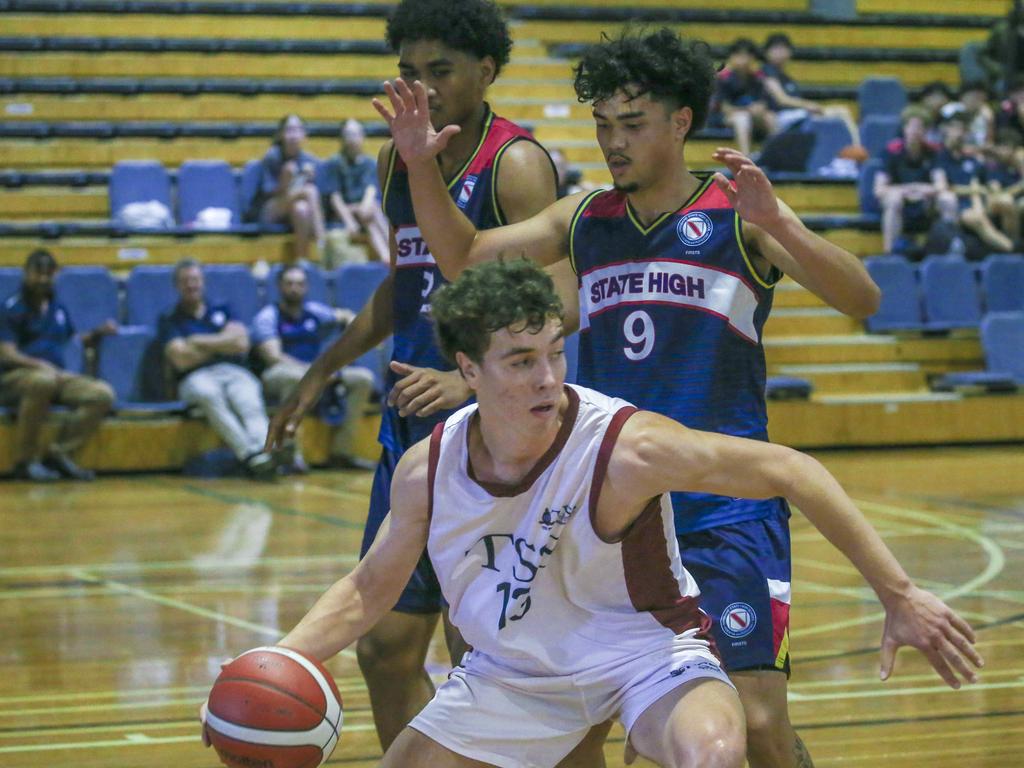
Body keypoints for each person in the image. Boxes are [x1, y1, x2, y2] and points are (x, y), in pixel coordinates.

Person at [372, 25, 909, 768]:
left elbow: (865, 298)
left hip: (724, 504)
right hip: (615, 508)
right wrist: (421, 167)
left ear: (681, 122)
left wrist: (779, 222)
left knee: (756, 723)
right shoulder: (586, 217)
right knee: (592, 728)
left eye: (632, 124)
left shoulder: (736, 215)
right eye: (602, 125)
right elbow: (462, 257)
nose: (612, 142)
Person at [203, 259, 981, 768]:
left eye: (554, 352)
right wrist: (280, 664)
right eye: (520, 362)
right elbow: (370, 589)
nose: (547, 377)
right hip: (512, 676)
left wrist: (900, 593)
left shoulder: (625, 443)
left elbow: (791, 470)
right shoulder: (429, 467)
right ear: (468, 370)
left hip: (645, 658)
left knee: (714, 752)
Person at [264, 0, 564, 753]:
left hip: (493, 442)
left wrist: (475, 385)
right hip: (410, 432)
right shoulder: (398, 157)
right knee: (386, 650)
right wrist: (320, 370)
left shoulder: (515, 165)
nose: (421, 88)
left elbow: (560, 304)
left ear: (486, 72)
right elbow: (407, 281)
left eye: (440, 71)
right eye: (408, 72)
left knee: (481, 658)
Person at [0, 249, 115, 481]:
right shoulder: (10, 308)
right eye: (38, 273)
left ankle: (58, 454)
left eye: (48, 274)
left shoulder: (58, 309)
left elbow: (72, 339)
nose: (43, 279)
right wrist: (39, 365)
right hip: (15, 379)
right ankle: (25, 461)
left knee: (101, 394)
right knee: (42, 382)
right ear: (26, 274)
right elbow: (7, 354)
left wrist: (96, 334)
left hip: (55, 377)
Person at [158, 259, 277, 479]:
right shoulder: (169, 318)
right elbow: (181, 359)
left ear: (203, 282)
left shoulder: (222, 308)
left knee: (248, 398)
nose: (191, 285)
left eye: (195, 280)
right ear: (177, 286)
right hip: (194, 377)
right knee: (209, 394)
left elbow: (241, 343)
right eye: (185, 281)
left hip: (232, 371)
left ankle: (264, 451)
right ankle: (250, 454)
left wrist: (197, 341)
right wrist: (222, 343)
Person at [251, 265, 376, 472]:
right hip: (278, 375)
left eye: (299, 284)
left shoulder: (314, 311)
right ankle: (291, 455)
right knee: (295, 378)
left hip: (314, 373)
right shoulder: (268, 316)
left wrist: (349, 322)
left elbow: (345, 317)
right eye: (289, 284)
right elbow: (274, 357)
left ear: (306, 287)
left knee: (363, 379)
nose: (294, 288)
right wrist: (315, 374)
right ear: (279, 287)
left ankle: (341, 452)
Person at [760, 32, 863, 152]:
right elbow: (782, 99)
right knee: (840, 112)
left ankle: (856, 147)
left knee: (842, 112)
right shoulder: (767, 73)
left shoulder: (786, 77)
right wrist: (808, 105)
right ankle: (856, 148)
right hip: (781, 117)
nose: (780, 52)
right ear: (766, 52)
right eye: (776, 49)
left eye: (783, 48)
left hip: (797, 115)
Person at [874, 107, 948, 254]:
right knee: (894, 199)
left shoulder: (934, 153)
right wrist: (908, 190)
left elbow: (941, 185)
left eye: (920, 128)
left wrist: (921, 191)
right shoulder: (890, 152)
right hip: (898, 199)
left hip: (925, 200)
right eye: (912, 126)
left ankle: (947, 251)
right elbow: (879, 189)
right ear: (904, 128)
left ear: (926, 132)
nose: (915, 131)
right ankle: (889, 252)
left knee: (948, 199)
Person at [252, 115, 326, 263]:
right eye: (289, 130)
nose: (293, 135)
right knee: (310, 191)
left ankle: (302, 262)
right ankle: (323, 245)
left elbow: (323, 200)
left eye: (298, 130)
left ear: (304, 135)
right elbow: (268, 193)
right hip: (270, 211)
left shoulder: (309, 161)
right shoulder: (272, 158)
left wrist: (309, 177)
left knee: (301, 209)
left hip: (294, 211)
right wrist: (284, 181)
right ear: (281, 134)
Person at [322, 119, 391, 262]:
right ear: (341, 139)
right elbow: (335, 198)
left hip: (365, 212)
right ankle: (391, 253)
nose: (352, 139)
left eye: (355, 134)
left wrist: (365, 207)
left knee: (371, 212)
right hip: (341, 213)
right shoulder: (334, 163)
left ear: (362, 137)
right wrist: (348, 221)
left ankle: (387, 257)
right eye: (348, 135)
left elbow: (370, 191)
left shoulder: (370, 163)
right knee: (371, 211)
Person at [712, 38, 776, 156]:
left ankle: (773, 156)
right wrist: (748, 110)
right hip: (725, 118)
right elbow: (724, 108)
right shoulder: (724, 79)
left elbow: (764, 103)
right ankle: (745, 158)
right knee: (742, 119)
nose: (743, 59)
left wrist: (759, 109)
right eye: (739, 55)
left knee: (770, 117)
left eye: (747, 55)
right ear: (731, 57)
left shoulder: (757, 78)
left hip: (752, 116)